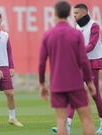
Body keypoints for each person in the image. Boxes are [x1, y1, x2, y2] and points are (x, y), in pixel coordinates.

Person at [39, 1, 96, 135]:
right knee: (86, 118)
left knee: (61, 120)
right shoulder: (76, 34)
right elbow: (83, 60)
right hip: (76, 83)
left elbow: (41, 62)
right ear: (69, 14)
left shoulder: (48, 35)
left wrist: (42, 83)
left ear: (55, 14)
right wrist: (89, 81)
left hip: (57, 84)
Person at [51, 3, 102, 134]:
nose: (74, 16)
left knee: (95, 95)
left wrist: (78, 53)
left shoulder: (94, 25)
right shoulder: (77, 26)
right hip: (80, 63)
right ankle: (67, 125)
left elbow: (92, 44)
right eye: (73, 14)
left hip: (92, 63)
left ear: (84, 13)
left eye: (76, 13)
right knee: (73, 92)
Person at [0, 11, 22, 128]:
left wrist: (11, 67)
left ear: (1, 21)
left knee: (10, 93)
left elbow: (9, 51)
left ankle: (12, 118)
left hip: (5, 67)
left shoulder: (5, 35)